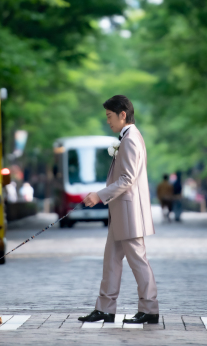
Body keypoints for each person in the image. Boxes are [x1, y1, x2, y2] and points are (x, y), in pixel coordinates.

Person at [79, 95, 159, 325]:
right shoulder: (128, 137)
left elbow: (127, 179)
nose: (108, 121)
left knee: (138, 261)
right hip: (121, 213)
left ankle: (150, 309)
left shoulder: (131, 138)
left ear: (122, 114)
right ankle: (105, 309)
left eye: (109, 116)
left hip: (130, 213)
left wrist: (99, 195)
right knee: (111, 261)